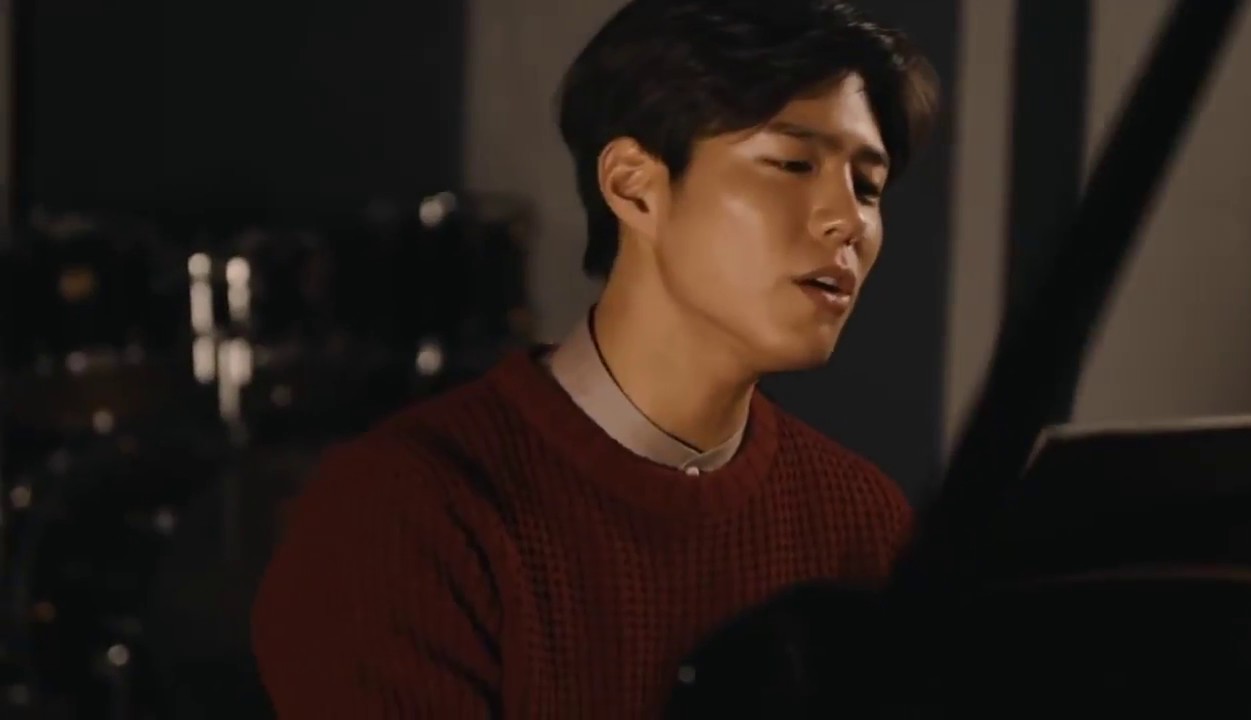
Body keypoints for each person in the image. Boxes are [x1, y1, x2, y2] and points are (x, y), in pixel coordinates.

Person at [251, 0, 940, 716]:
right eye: (794, 164)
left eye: (868, 187)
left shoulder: (863, 524)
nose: (849, 220)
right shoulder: (406, 514)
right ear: (634, 186)